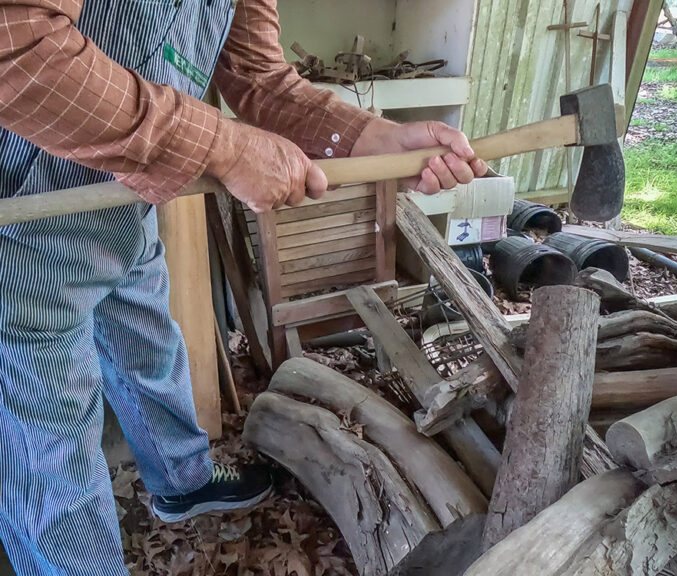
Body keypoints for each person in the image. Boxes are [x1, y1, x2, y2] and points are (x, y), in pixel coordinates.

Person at [0, 1, 487, 574]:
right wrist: (225, 148)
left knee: (148, 343)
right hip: (24, 207)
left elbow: (259, 78)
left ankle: (182, 482)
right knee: (49, 444)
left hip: (127, 201)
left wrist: (370, 139)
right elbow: (17, 45)